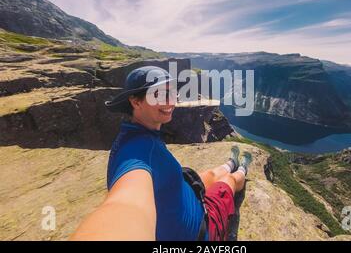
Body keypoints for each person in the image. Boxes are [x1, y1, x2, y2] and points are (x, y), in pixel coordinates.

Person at [71, 66, 252, 241]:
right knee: (228, 181)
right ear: (135, 102)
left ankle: (230, 163)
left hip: (183, 189)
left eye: (171, 93)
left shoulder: (138, 133)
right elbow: (125, 206)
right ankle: (242, 170)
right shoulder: (135, 157)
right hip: (204, 226)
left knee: (213, 173)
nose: (170, 101)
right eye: (158, 94)